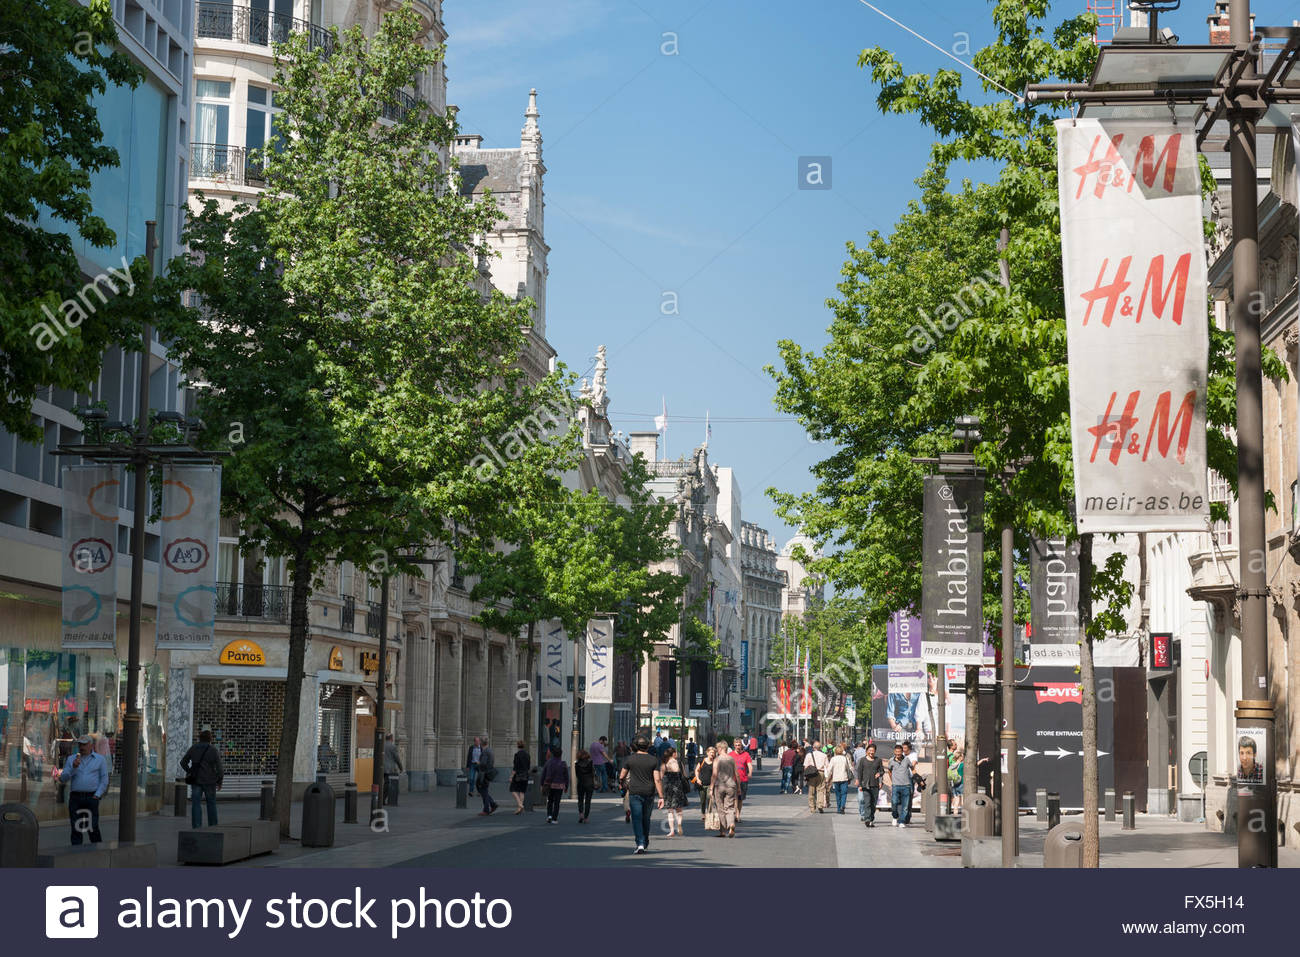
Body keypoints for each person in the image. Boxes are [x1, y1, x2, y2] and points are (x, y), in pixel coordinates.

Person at [619, 736, 663, 854]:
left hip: (635, 792)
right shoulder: (654, 760)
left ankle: (640, 843)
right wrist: (661, 797)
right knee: (646, 819)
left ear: (636, 746)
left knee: (637, 819)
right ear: (648, 746)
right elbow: (657, 779)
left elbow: (622, 776)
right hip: (649, 792)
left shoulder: (630, 759)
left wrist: (622, 784)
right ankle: (645, 841)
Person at [61, 734, 108, 844]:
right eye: (80, 744)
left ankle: (97, 850)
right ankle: (76, 851)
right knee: (76, 826)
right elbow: (63, 778)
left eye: (85, 744)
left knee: (93, 826)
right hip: (76, 797)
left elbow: (104, 779)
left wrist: (97, 795)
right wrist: (73, 767)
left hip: (91, 796)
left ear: (91, 745)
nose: (82, 747)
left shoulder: (99, 759)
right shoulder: (71, 759)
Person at [180, 729, 224, 828]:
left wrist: (189, 771)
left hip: (196, 781)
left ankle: (196, 826)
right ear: (210, 739)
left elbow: (183, 762)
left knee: (196, 804)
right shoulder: (213, 750)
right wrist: (220, 780)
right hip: (210, 781)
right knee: (211, 804)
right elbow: (219, 767)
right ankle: (213, 825)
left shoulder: (193, 748)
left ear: (200, 738)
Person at [710, 740, 739, 838]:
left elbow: (714, 774)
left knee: (720, 808)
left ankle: (722, 831)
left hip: (719, 785)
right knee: (729, 807)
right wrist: (738, 787)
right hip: (731, 785)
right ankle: (731, 824)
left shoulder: (717, 760)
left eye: (717, 748)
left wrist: (711, 788)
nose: (717, 750)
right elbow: (737, 774)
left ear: (721, 748)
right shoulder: (731, 759)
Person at [661, 746, 688, 836]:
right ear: (673, 753)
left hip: (667, 787)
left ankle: (672, 830)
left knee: (670, 810)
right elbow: (684, 774)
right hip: (677, 787)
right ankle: (679, 823)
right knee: (679, 809)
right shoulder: (677, 762)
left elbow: (661, 777)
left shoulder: (664, 763)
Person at [855, 742, 884, 826]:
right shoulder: (862, 760)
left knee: (873, 803)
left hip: (875, 785)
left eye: (873, 751)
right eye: (870, 750)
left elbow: (882, 770)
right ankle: (867, 819)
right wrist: (860, 785)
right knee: (867, 802)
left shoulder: (878, 760)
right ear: (867, 751)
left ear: (875, 751)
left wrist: (880, 774)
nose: (871, 752)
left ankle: (871, 818)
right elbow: (859, 773)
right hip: (865, 785)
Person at [541, 745, 568, 823]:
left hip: (549, 784)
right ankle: (554, 818)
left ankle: (549, 815)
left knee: (550, 800)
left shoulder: (548, 762)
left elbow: (543, 773)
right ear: (561, 754)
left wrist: (542, 784)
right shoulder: (563, 763)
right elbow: (566, 776)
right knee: (557, 802)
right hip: (559, 786)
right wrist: (566, 786)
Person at [888, 743, 913, 827]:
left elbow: (912, 768)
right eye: (896, 752)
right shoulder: (891, 760)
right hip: (896, 785)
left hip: (906, 786)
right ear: (894, 752)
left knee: (905, 806)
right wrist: (892, 780)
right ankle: (895, 817)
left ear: (902, 752)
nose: (898, 754)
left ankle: (902, 821)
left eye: (899, 752)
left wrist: (917, 778)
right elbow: (889, 771)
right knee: (894, 802)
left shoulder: (906, 759)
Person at [827, 743, 853, 814]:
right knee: (844, 793)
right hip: (844, 778)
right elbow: (850, 768)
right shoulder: (845, 758)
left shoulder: (833, 759)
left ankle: (839, 809)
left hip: (836, 778)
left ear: (835, 751)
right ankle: (842, 806)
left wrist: (827, 778)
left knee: (837, 794)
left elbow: (829, 769)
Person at [804, 740, 828, 813]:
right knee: (820, 790)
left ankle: (812, 807)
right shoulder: (824, 755)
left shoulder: (809, 755)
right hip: (821, 772)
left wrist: (806, 775)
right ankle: (820, 805)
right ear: (820, 747)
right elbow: (827, 766)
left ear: (813, 747)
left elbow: (805, 766)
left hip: (811, 773)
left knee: (811, 791)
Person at [476, 741, 499, 816]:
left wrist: (478, 764)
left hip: (484, 774)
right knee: (484, 790)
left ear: (481, 744)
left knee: (483, 790)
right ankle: (492, 804)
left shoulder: (485, 752)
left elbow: (483, 763)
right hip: (488, 773)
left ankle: (486, 809)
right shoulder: (490, 750)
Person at [574, 748, 596, 823]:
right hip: (589, 783)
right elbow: (593, 773)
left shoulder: (576, 764)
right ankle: (586, 818)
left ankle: (581, 814)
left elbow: (577, 774)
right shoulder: (590, 763)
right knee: (588, 801)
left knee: (580, 800)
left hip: (581, 783)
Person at [732, 739, 753, 817]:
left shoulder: (746, 754)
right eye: (736, 745)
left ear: (742, 745)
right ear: (734, 745)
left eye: (739, 745)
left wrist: (750, 773)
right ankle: (735, 813)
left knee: (740, 798)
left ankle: (738, 814)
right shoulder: (730, 755)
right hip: (732, 780)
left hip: (743, 779)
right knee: (734, 798)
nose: (738, 747)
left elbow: (749, 765)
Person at [694, 745, 715, 820]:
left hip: (711, 784)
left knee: (709, 799)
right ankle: (703, 813)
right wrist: (697, 779)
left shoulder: (715, 762)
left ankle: (709, 814)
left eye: (713, 753)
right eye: (711, 752)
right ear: (707, 753)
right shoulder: (702, 761)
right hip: (701, 784)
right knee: (702, 800)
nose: (712, 754)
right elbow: (697, 770)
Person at [509, 740, 530, 814]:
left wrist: (511, 776)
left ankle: (520, 804)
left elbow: (515, 767)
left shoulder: (517, 755)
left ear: (518, 746)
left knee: (512, 789)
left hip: (518, 775)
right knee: (522, 791)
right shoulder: (527, 754)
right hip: (525, 774)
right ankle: (519, 808)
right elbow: (528, 766)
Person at [383, 733, 403, 806]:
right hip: (389, 769)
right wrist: (401, 767)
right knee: (387, 784)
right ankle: (382, 799)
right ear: (391, 738)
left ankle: (380, 798)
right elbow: (397, 758)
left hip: (381, 768)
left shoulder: (382, 745)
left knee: (383, 783)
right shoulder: (392, 746)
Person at [948, 747, 965, 813]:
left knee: (956, 799)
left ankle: (955, 813)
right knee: (963, 798)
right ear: (960, 757)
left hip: (954, 783)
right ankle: (964, 813)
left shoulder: (952, 765)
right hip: (961, 782)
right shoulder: (962, 765)